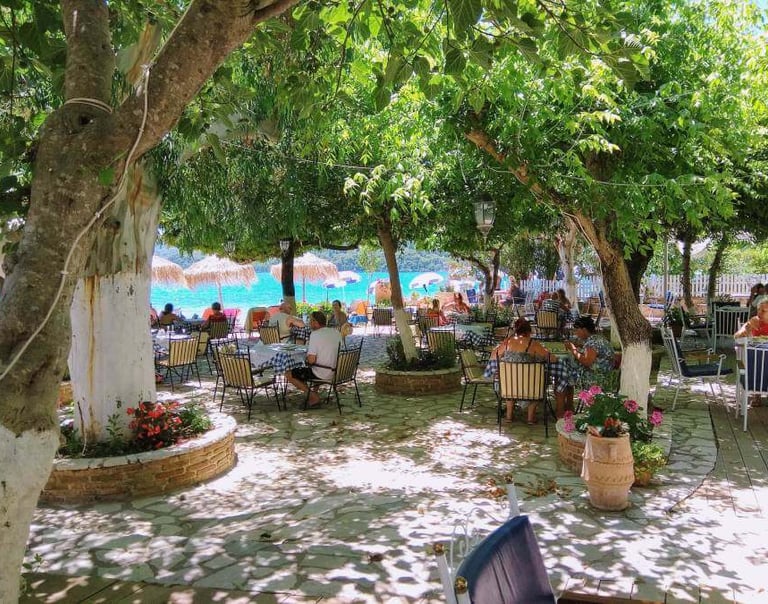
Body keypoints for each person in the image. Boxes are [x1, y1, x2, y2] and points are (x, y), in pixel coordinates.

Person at [489, 318, 556, 424]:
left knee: (508, 381)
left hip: (509, 387)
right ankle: (530, 417)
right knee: (539, 381)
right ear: (529, 331)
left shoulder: (508, 342)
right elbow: (552, 359)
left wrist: (502, 344)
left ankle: (509, 416)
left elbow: (493, 356)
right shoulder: (533, 344)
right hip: (530, 387)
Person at [559, 316, 616, 416]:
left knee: (565, 376)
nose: (576, 333)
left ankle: (564, 410)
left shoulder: (592, 342)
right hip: (605, 377)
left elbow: (587, 361)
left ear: (584, 329)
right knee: (568, 375)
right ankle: (569, 407)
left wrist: (573, 349)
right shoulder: (598, 339)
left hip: (596, 379)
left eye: (577, 330)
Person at [286, 311, 342, 406]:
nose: (309, 323)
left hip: (324, 372)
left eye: (310, 320)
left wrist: (306, 359)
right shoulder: (336, 332)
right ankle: (314, 392)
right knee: (316, 365)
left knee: (289, 373)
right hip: (338, 371)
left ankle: (312, 396)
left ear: (315, 322)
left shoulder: (315, 335)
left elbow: (312, 360)